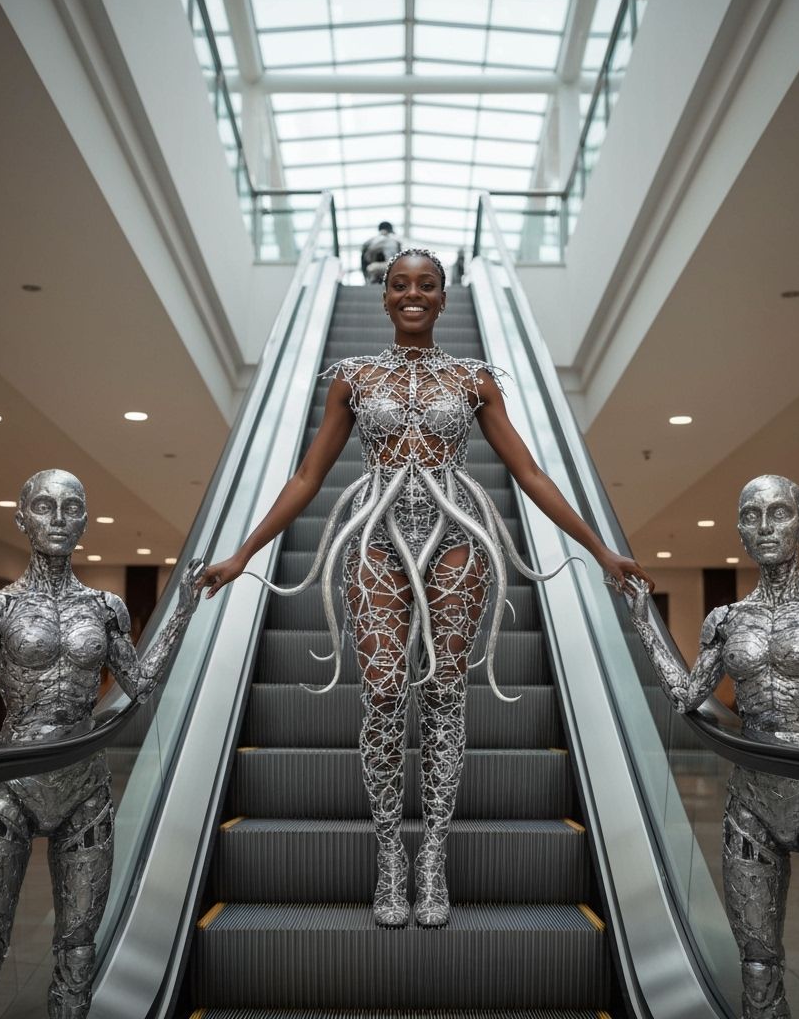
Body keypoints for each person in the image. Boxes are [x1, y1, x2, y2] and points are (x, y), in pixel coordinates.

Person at [198, 248, 650, 928]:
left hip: (457, 540)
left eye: (427, 285)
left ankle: (433, 853)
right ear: (384, 296)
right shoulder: (352, 378)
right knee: (382, 690)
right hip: (373, 539)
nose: (413, 293)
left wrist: (600, 549)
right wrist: (241, 554)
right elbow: (307, 477)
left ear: (443, 297)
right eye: (400, 284)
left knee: (444, 693)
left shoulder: (474, 381)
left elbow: (529, 473)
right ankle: (390, 852)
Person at [0, 469, 203, 1019]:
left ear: (84, 521)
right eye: (43, 506)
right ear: (21, 519)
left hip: (84, 788)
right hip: (9, 785)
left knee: (78, 952)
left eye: (70, 508)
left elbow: (139, 683)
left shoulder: (104, 607)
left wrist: (183, 612)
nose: (57, 519)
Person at [625, 474, 799, 1019]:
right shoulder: (727, 621)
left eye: (779, 513)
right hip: (751, 804)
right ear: (740, 531)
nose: (766, 527)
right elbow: (686, 695)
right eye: (752, 516)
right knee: (757, 972)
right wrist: (643, 623)